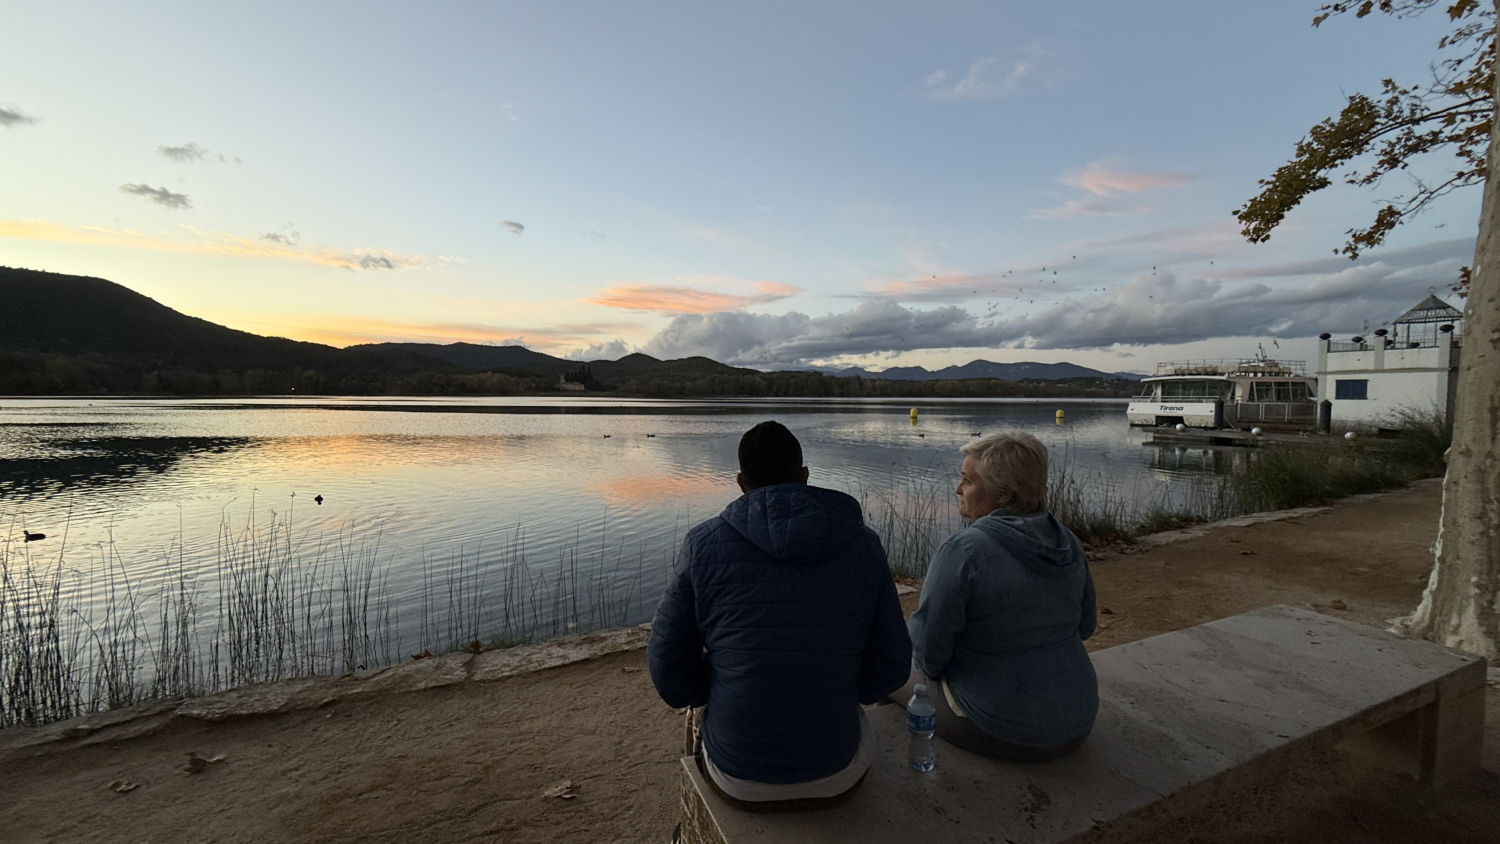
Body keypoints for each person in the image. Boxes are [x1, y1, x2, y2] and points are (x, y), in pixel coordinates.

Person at [648, 420, 912, 807]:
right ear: (804, 476)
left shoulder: (703, 546)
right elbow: (892, 664)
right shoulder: (864, 544)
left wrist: (721, 689)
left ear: (740, 482)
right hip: (836, 772)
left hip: (739, 776)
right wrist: (838, 691)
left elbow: (667, 667)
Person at [904, 431, 1097, 762]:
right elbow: (1086, 626)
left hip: (1003, 730)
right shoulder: (1067, 541)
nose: (957, 489)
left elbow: (929, 657)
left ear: (1003, 494)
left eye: (967, 480)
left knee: (893, 671)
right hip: (1078, 721)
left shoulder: (963, 551)